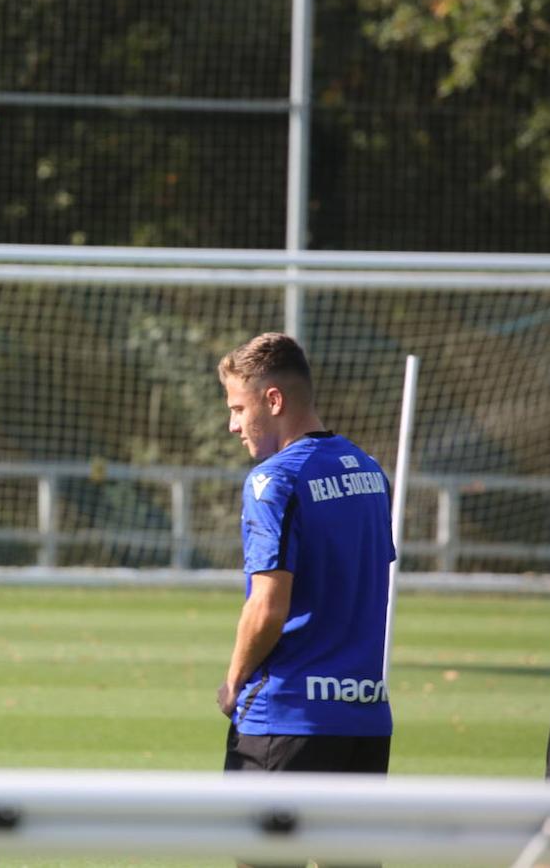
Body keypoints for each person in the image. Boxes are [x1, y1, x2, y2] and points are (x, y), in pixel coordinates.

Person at [216, 332, 394, 780]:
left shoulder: (273, 481)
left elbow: (268, 605)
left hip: (288, 712)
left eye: (238, 408)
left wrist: (234, 681)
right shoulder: (369, 471)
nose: (233, 426)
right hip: (365, 716)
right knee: (349, 853)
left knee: (260, 852)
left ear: (272, 400)